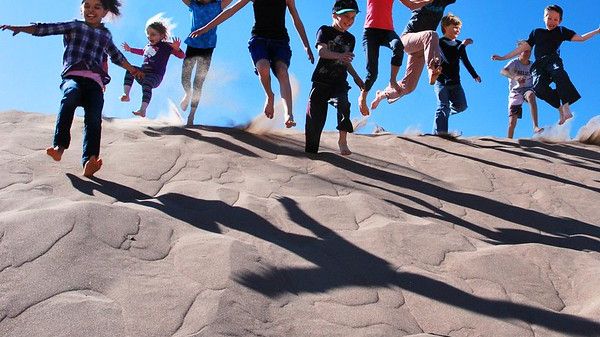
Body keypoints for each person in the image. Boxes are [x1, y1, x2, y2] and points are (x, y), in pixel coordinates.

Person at [1, 0, 143, 177]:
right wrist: (21, 28)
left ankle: (90, 160)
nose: (91, 10)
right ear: (82, 8)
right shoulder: (74, 26)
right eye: (87, 6)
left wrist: (132, 69)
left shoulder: (105, 36)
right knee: (69, 97)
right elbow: (47, 29)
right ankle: (59, 147)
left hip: (95, 83)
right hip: (73, 77)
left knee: (93, 118)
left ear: (105, 12)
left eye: (97, 7)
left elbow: (116, 56)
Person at [189, 0, 315, 128]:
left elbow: (296, 19)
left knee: (282, 70)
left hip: (280, 41)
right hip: (259, 39)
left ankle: (289, 114)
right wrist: (205, 28)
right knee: (263, 67)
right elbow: (230, 11)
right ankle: (269, 94)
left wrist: (306, 45)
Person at [492, 5, 600, 126]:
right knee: (538, 88)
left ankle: (565, 105)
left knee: (559, 73)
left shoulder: (561, 31)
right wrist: (503, 57)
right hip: (538, 66)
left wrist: (597, 31)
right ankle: (559, 108)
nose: (552, 22)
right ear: (544, 17)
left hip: (552, 60)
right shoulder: (536, 32)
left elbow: (581, 38)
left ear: (560, 21)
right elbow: (521, 49)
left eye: (555, 19)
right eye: (549, 18)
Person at [370, 0, 458, 110]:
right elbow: (410, 4)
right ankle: (433, 69)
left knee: (409, 86)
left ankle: (382, 94)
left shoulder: (442, 2)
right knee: (432, 35)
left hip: (422, 49)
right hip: (407, 40)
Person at [305, 0, 364, 155]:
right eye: (346, 16)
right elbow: (321, 52)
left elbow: (345, 62)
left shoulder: (351, 39)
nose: (350, 21)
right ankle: (311, 153)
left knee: (344, 104)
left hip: (339, 82)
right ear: (334, 15)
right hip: (320, 80)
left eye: (353, 18)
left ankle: (342, 141)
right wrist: (340, 55)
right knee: (314, 121)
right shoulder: (324, 31)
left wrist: (357, 78)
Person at [358, 0, 433, 117]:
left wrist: (429, 1)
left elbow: (412, 5)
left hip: (387, 32)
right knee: (372, 73)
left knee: (398, 46)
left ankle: (392, 81)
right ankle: (363, 97)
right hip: (370, 32)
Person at [121, 14, 186, 118]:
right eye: (148, 34)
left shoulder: (166, 46)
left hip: (155, 76)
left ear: (161, 36)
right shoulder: (148, 46)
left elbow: (182, 56)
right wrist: (130, 49)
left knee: (147, 83)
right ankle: (126, 95)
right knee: (130, 68)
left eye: (153, 34)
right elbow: (142, 52)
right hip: (143, 73)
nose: (149, 36)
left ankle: (142, 110)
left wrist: (177, 49)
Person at [180, 0, 233, 126]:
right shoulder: (193, 4)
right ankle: (187, 93)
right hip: (192, 44)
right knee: (185, 76)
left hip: (207, 48)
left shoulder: (217, 5)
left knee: (198, 82)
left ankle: (191, 115)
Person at [432, 13, 480, 136]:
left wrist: (474, 75)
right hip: (441, 81)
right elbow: (449, 59)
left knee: (462, 106)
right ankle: (439, 134)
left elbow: (465, 61)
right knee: (443, 106)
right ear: (445, 27)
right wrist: (463, 45)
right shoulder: (440, 42)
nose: (458, 30)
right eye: (454, 27)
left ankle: (444, 113)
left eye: (459, 28)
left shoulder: (459, 44)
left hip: (455, 83)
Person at [500, 40, 542, 139]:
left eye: (529, 51)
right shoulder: (514, 63)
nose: (528, 53)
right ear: (519, 52)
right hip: (515, 92)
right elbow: (503, 71)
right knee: (512, 123)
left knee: (531, 95)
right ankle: (509, 141)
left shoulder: (532, 65)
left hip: (527, 89)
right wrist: (515, 77)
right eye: (525, 51)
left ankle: (535, 126)